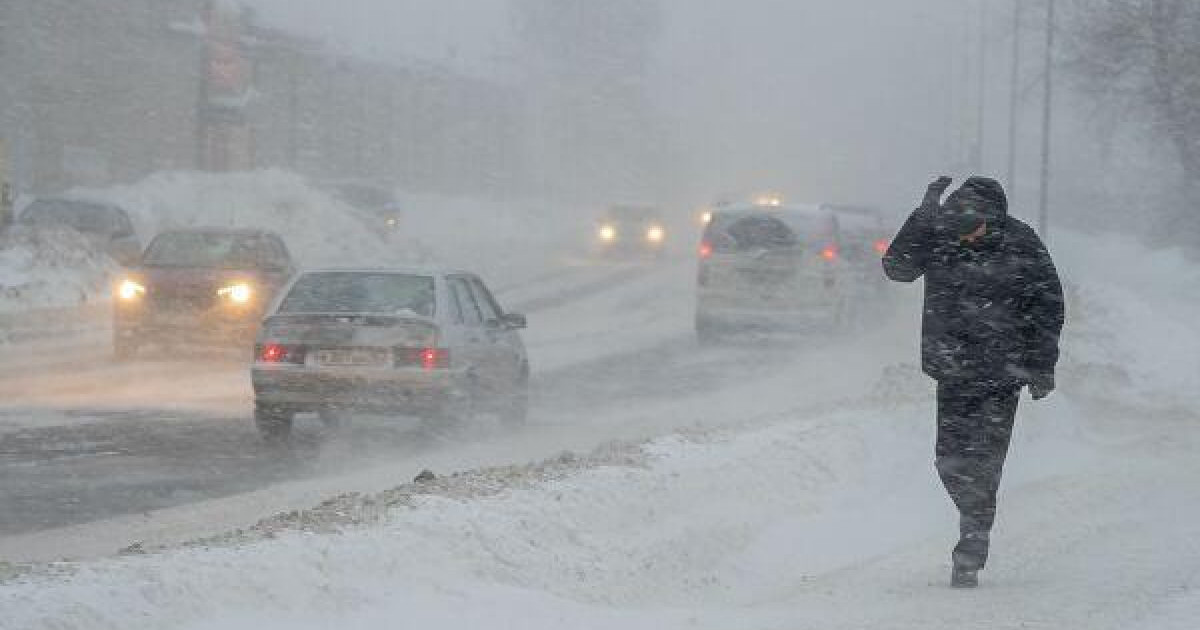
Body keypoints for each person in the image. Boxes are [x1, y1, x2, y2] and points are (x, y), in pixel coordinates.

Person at [883, 176, 1065, 588]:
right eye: (960, 229)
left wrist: (1042, 365)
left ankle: (972, 541)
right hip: (953, 370)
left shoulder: (1021, 243)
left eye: (974, 229)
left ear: (992, 218)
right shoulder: (941, 233)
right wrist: (923, 216)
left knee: (985, 462)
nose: (967, 238)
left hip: (1003, 375)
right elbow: (897, 269)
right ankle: (975, 516)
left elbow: (1048, 305)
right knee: (948, 460)